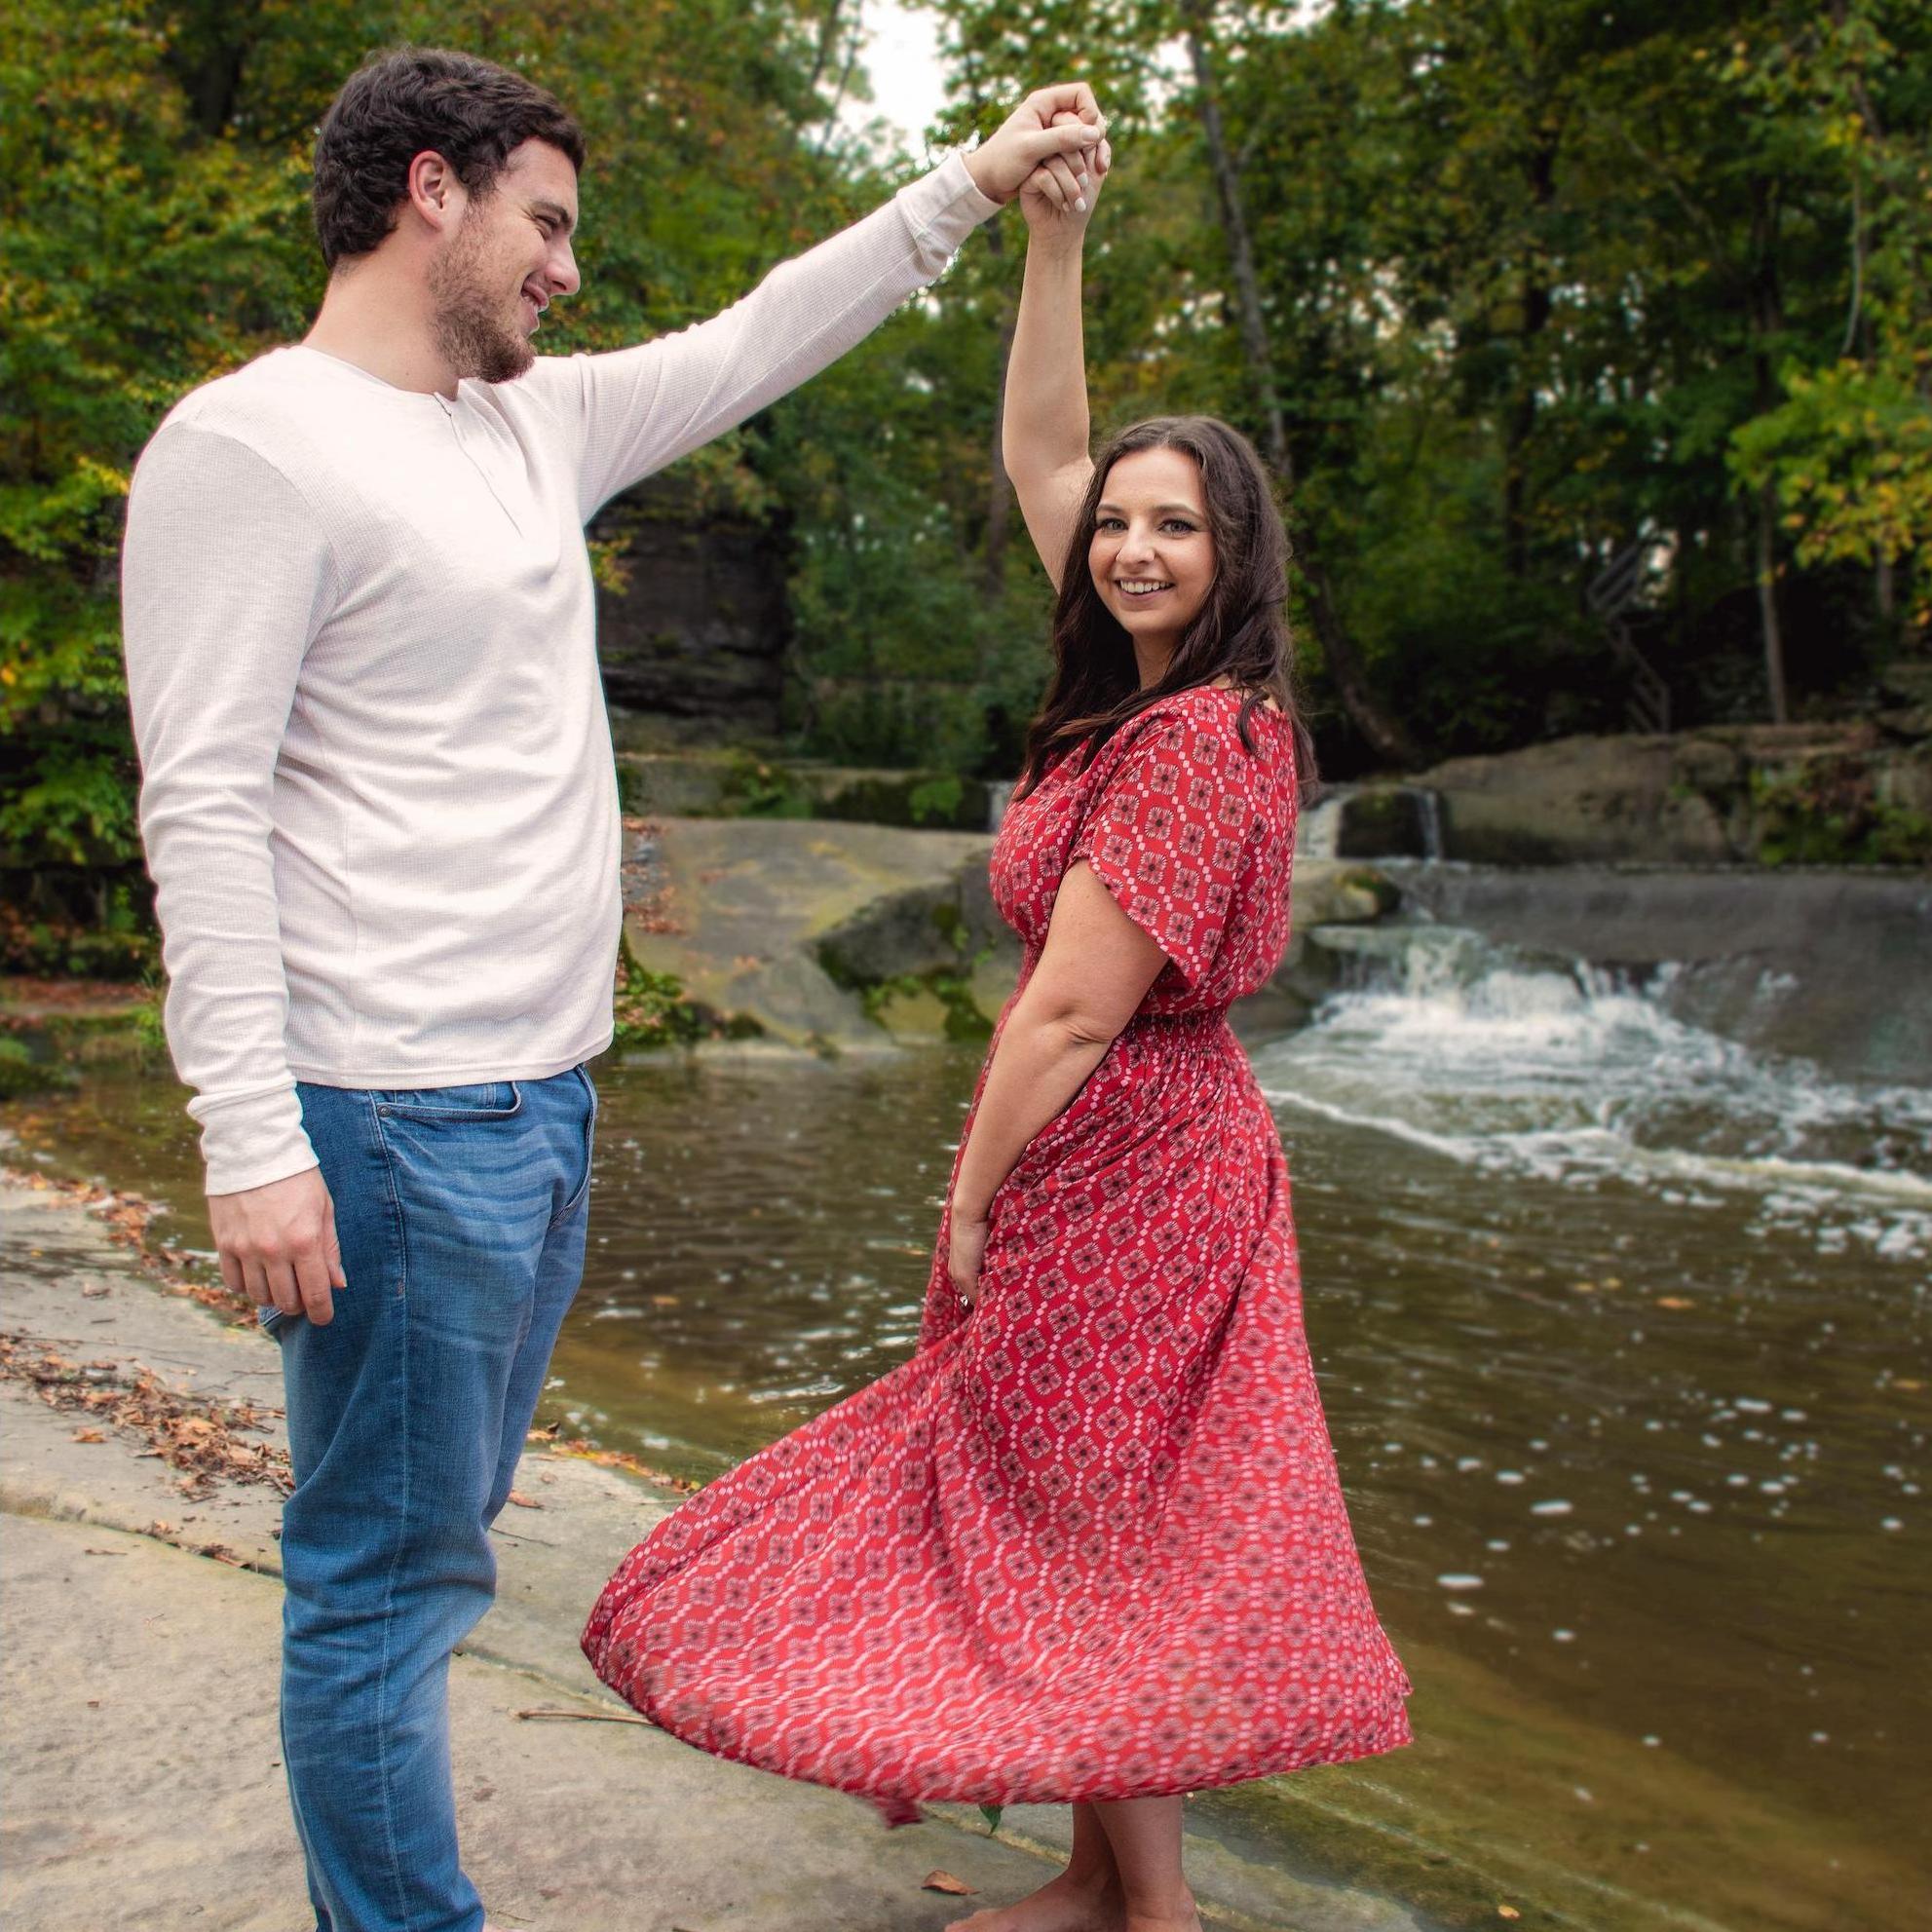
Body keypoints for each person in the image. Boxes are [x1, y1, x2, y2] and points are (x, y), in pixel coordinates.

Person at [119, 45, 1107, 1932]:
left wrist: (973, 187)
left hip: (537, 1104)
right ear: (433, 190)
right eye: (547, 223)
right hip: (390, 1116)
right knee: (383, 1580)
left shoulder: (526, 425)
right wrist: (249, 1136)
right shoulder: (248, 449)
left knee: (430, 1548)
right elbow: (205, 802)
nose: (568, 268)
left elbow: (758, 335)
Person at [583, 120, 1414, 1932]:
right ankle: (1097, 1879)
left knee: (1098, 1519)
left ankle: (1158, 1917)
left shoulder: (1200, 738)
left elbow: (1058, 1017)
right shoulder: (1146, 688)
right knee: (1077, 1505)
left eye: (1171, 527)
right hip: (1127, 1152)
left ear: (1233, 554)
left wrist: (966, 1200)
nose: (1125, 547)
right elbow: (1047, 444)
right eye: (1118, 523)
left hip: (1135, 1168)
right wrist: (1055, 236)